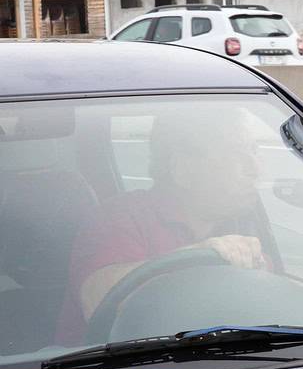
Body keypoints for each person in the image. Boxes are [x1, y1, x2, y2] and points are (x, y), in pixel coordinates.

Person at [56, 106, 273, 345]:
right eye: (235, 154)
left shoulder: (242, 219)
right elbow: (97, 300)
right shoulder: (119, 217)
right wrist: (199, 255)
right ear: (183, 168)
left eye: (254, 150)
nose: (255, 169)